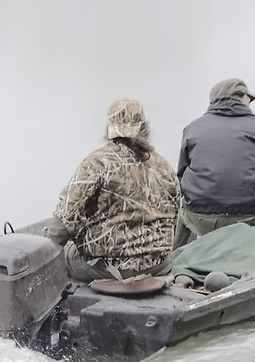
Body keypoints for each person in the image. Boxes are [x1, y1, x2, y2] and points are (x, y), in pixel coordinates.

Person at [43, 97, 180, 282]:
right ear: (144, 129)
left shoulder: (97, 162)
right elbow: (175, 215)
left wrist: (43, 251)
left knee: (66, 250)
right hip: (157, 266)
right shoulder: (164, 166)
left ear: (109, 129)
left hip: (107, 269)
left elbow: (64, 222)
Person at [176, 77, 255, 246]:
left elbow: (181, 173)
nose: (250, 103)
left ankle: (176, 259)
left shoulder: (192, 129)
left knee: (182, 210)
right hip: (249, 217)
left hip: (201, 218)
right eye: (249, 99)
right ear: (241, 98)